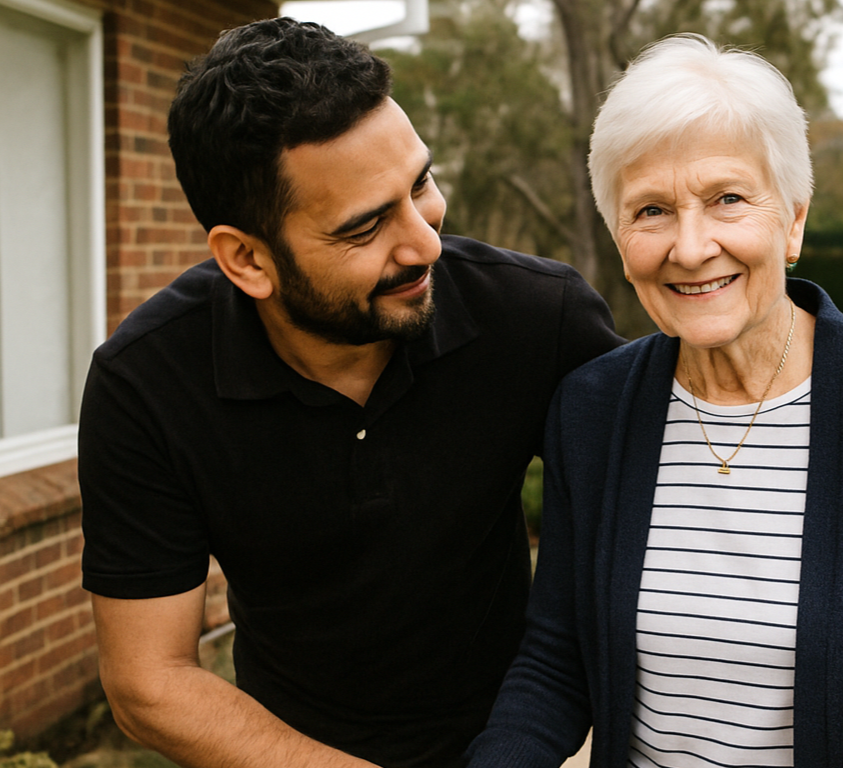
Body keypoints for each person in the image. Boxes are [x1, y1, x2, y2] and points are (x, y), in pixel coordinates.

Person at [466, 34, 843, 768]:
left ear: (792, 219)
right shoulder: (593, 412)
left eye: (727, 198)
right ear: (619, 236)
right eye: (652, 211)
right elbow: (556, 662)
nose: (691, 247)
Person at [78, 17, 621, 768]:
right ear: (247, 259)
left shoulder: (539, 317)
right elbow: (148, 682)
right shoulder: (143, 384)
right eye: (365, 227)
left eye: (420, 183)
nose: (426, 242)